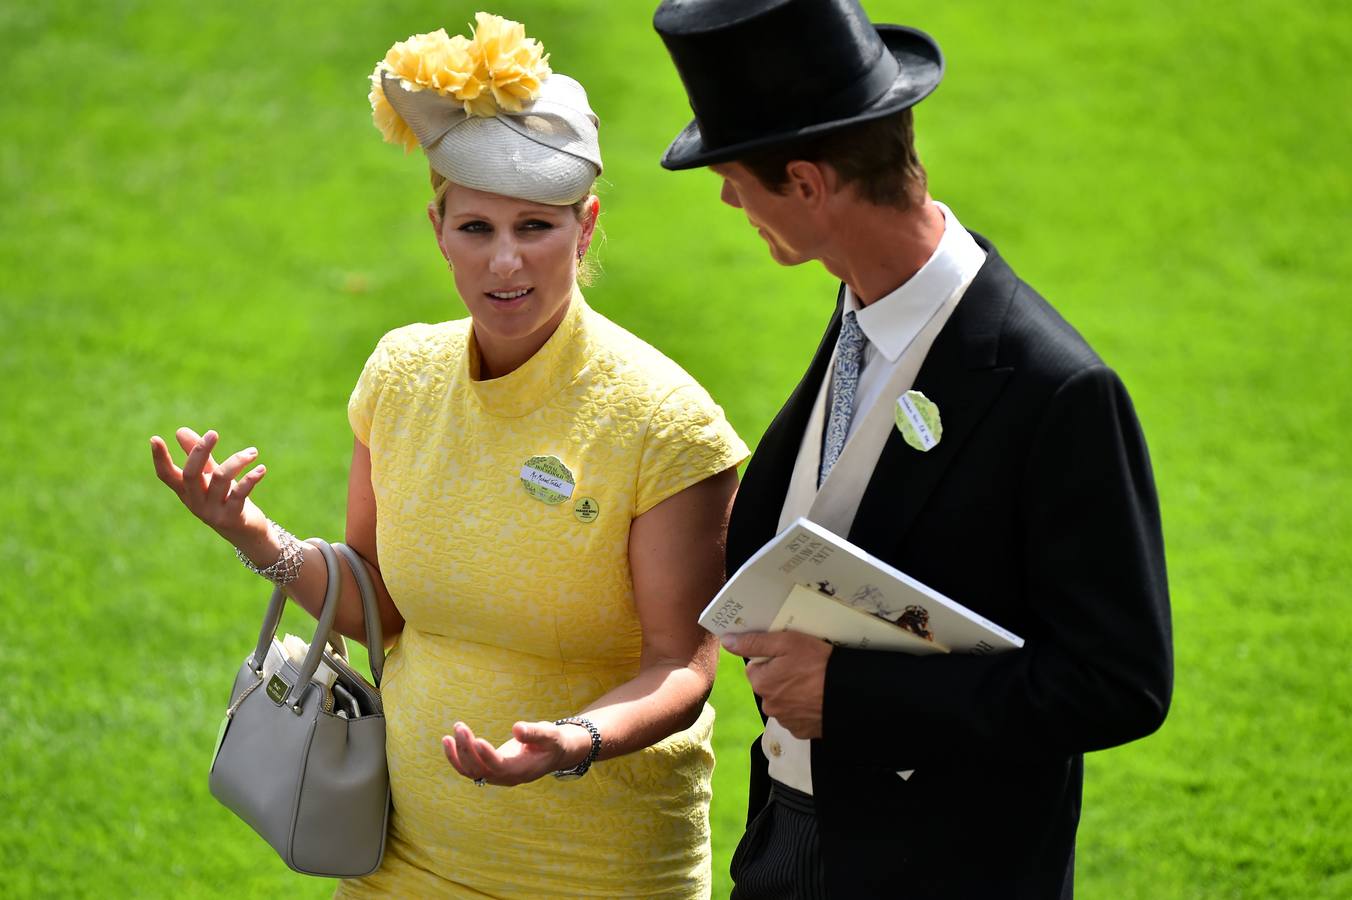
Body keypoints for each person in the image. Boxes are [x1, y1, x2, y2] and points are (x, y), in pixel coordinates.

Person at [151, 13, 747, 897]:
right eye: (476, 229)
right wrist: (249, 533)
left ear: (585, 229)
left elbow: (682, 665)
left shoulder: (667, 423)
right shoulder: (400, 375)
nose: (505, 262)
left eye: (535, 228)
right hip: (399, 856)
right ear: (439, 227)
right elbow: (375, 600)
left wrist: (571, 741)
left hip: (597, 867)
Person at [653, 0, 1174, 897]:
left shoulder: (1061, 392)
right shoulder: (858, 301)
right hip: (787, 841)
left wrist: (852, 700)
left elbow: (1118, 682)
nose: (729, 197)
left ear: (810, 184)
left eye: (735, 175)